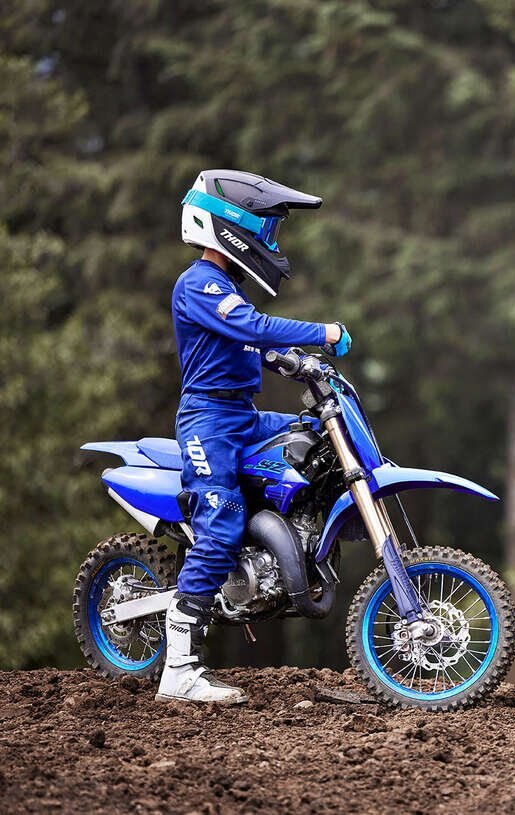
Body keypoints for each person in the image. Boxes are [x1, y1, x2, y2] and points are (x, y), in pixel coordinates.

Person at [157, 169, 351, 704]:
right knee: (221, 524)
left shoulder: (228, 291)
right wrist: (323, 333)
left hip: (241, 415)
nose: (271, 240)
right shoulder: (199, 283)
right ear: (229, 226)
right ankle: (178, 671)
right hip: (208, 421)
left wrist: (299, 362)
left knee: (314, 440)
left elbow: (256, 344)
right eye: (265, 229)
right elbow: (252, 329)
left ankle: (293, 547)